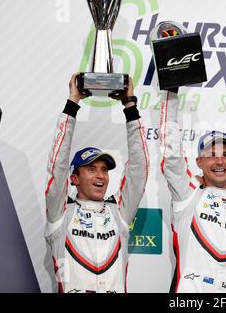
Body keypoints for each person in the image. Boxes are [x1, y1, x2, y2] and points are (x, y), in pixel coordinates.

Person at [45, 74, 149, 293]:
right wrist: (72, 104)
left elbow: (139, 169)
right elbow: (58, 165)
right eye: (91, 169)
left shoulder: (119, 212)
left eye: (103, 170)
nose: (100, 176)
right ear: (74, 178)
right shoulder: (60, 213)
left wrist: (130, 107)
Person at [159, 89, 226, 293]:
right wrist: (171, 94)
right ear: (198, 161)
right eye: (211, 155)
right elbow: (170, 154)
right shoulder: (187, 193)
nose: (219, 161)